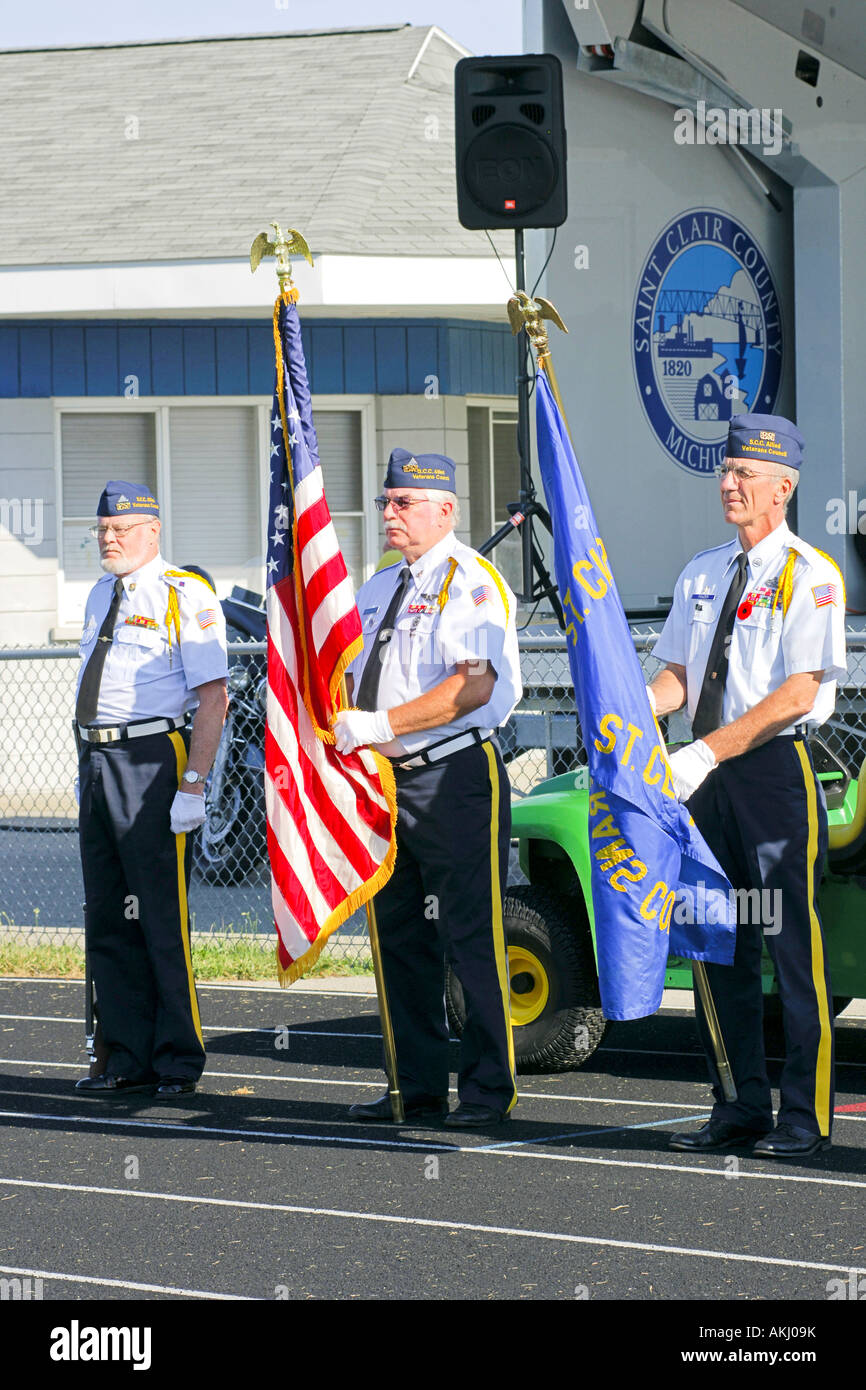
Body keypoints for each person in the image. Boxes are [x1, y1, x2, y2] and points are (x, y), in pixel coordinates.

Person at [649, 415, 846, 1158]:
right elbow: (677, 673)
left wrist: (706, 751)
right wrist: (639, 707)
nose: (729, 484)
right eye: (726, 471)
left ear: (784, 486)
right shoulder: (703, 570)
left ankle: (804, 1116)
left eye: (745, 475)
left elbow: (799, 692)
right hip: (702, 777)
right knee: (710, 940)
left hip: (768, 776)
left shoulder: (809, 575)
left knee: (793, 946)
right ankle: (736, 1105)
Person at [333, 449, 522, 1128]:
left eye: (404, 502)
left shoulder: (471, 581)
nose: (389, 513)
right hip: (386, 784)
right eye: (386, 500)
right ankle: (410, 1089)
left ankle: (485, 1091)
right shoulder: (381, 586)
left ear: (445, 509)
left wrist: (379, 722)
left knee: (473, 935)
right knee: (399, 939)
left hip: (454, 776)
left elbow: (474, 684)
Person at [74, 481, 228, 1100]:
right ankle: (125, 1056)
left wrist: (193, 782)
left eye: (121, 530)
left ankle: (177, 1059)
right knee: (109, 914)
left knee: (160, 915)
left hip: (151, 755)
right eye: (103, 530)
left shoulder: (183, 595)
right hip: (97, 755)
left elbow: (213, 698)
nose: (109, 540)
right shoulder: (97, 594)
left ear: (153, 530)